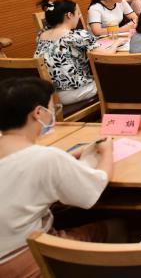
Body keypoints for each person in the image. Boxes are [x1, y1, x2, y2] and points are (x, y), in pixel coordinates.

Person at [0, 77, 118, 277]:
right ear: (38, 113)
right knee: (118, 226)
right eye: (51, 107)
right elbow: (95, 186)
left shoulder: (39, 156)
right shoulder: (46, 158)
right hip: (24, 257)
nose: (53, 112)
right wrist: (107, 151)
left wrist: (66, 157)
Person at [35, 0, 114, 106]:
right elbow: (105, 56)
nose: (79, 16)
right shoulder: (77, 36)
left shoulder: (41, 35)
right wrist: (117, 43)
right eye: (77, 13)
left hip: (48, 94)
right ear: (69, 15)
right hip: (74, 92)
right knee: (114, 78)